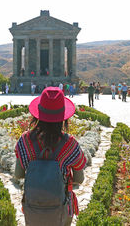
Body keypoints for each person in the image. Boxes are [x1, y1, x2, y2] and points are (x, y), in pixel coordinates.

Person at [14, 87, 86, 226]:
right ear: (63, 116)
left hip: (33, 207)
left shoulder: (25, 141)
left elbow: (18, 174)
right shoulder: (69, 144)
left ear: (38, 113)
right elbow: (79, 179)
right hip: (62, 207)